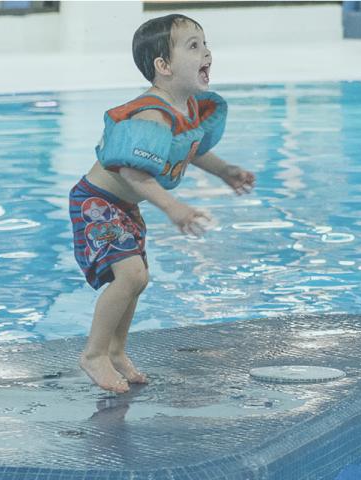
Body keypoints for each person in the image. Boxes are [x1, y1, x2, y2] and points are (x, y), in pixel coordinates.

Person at [69, 14, 257, 393]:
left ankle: (116, 351)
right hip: (97, 201)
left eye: (204, 44)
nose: (206, 52)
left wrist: (224, 171)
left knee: (138, 281)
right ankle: (93, 354)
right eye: (193, 46)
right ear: (163, 66)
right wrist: (174, 208)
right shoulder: (152, 113)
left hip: (123, 207)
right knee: (132, 276)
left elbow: (191, 150)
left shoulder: (186, 109)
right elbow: (131, 171)